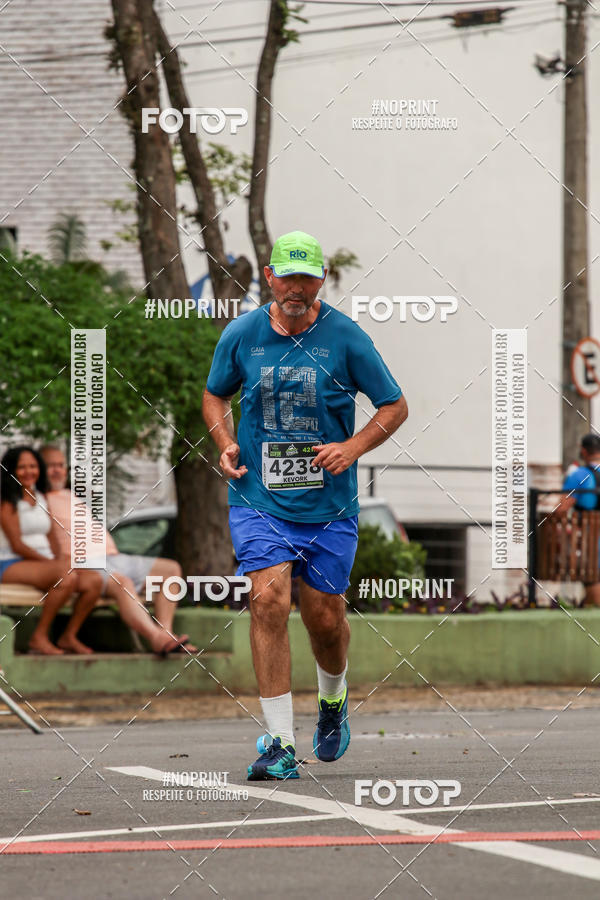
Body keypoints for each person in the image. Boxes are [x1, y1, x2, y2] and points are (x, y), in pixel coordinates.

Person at [202, 230, 407, 780]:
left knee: (325, 618)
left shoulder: (347, 338)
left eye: (307, 279)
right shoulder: (242, 334)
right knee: (267, 600)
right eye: (287, 277)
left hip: (328, 507)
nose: (297, 288)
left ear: (322, 280)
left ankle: (333, 699)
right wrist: (225, 440)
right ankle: (279, 744)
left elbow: (394, 405)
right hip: (259, 498)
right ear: (269, 277)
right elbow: (215, 394)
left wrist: (352, 447)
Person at [40, 445, 197, 656]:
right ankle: (157, 639)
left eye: (60, 465)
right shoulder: (37, 499)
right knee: (122, 582)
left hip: (112, 556)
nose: (57, 470)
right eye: (50, 466)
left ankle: (166, 634)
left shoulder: (70, 495)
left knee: (170, 571)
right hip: (84, 563)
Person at [0, 446, 101, 655]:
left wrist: (60, 558)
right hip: (11, 562)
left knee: (93, 581)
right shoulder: (6, 500)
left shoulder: (40, 496)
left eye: (33, 466)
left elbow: (51, 535)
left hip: (42, 563)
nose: (29, 471)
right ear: (11, 470)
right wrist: (51, 564)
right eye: (22, 467)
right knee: (64, 577)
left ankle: (68, 636)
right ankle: (39, 637)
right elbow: (17, 545)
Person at [555, 433, 600, 606]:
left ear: (584, 451)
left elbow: (561, 509)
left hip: (591, 538)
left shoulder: (579, 475)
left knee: (593, 577)